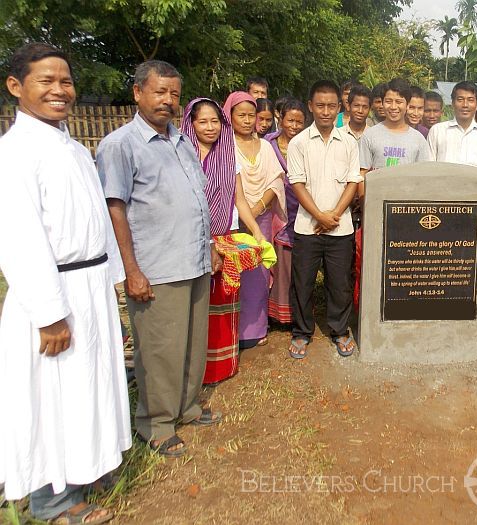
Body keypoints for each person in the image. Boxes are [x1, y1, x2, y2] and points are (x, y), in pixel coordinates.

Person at [0, 42, 131, 524]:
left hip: (91, 284)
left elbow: (95, 220)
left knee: (90, 384)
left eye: (66, 81)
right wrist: (49, 312)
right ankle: (54, 502)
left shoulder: (72, 148)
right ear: (16, 87)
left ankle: (90, 467)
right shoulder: (14, 153)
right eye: (46, 81)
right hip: (54, 294)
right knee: (54, 394)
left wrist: (113, 279)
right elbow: (20, 240)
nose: (60, 90)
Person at [97, 60, 222, 459]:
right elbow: (115, 209)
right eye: (159, 92)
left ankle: (186, 407)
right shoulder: (120, 145)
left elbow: (196, 199)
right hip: (156, 267)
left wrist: (210, 246)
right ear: (137, 93)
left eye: (173, 94)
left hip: (194, 259)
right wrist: (131, 270)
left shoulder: (182, 140)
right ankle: (155, 424)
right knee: (160, 350)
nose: (168, 101)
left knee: (190, 345)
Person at [180, 98, 265, 383]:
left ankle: (221, 367)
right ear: (191, 123)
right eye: (202, 121)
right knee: (196, 306)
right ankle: (193, 372)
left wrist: (257, 231)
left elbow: (239, 199)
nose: (210, 127)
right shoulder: (181, 155)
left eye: (215, 121)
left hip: (224, 238)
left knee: (224, 302)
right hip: (190, 241)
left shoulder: (229, 157)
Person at [287, 80, 361, 359]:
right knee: (302, 282)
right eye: (320, 105)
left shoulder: (349, 142)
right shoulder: (299, 143)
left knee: (339, 283)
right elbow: (297, 183)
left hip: (340, 228)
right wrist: (320, 215)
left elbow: (353, 182)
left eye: (332, 106)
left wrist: (334, 216)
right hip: (308, 227)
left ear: (339, 108)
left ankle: (340, 331)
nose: (326, 111)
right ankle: (301, 333)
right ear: (310, 107)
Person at [223, 91, 286, 348]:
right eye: (242, 115)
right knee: (233, 274)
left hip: (261, 219)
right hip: (232, 221)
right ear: (230, 116)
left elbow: (276, 179)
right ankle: (231, 332)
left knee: (258, 273)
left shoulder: (266, 147)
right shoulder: (224, 147)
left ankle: (255, 330)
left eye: (252, 115)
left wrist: (259, 205)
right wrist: (243, 209)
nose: (248, 121)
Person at [264, 99, 307, 324]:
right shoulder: (267, 144)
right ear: (280, 118)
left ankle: (293, 314)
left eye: (299, 122)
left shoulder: (307, 144)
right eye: (290, 120)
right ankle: (273, 314)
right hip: (274, 212)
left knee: (294, 267)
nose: (294, 126)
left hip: (301, 211)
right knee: (276, 265)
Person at [359, 78, 431, 176]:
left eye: (398, 102)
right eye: (388, 101)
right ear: (383, 103)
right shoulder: (369, 135)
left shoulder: (418, 139)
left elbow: (424, 174)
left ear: (408, 105)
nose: (393, 107)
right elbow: (362, 173)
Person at [428, 81, 477, 172]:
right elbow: (428, 167)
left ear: (476, 105)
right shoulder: (437, 131)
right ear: (452, 103)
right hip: (444, 185)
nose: (465, 105)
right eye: (460, 100)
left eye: (470, 100)